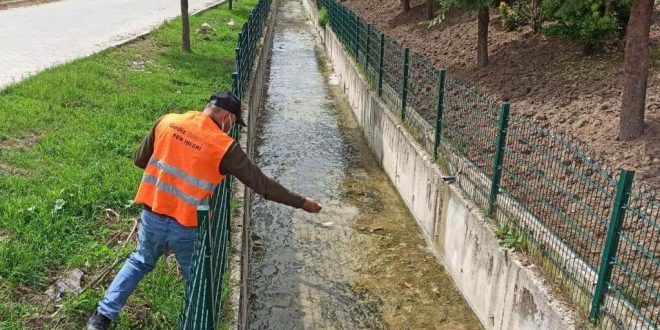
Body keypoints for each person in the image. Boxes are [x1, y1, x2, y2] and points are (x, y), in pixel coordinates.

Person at [87, 92, 322, 330]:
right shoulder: (224, 146)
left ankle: (101, 318)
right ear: (227, 117)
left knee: (139, 262)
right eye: (233, 123)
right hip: (186, 226)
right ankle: (195, 323)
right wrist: (302, 202)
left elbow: (140, 160)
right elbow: (261, 184)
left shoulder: (168, 121)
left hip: (153, 215)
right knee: (197, 279)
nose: (231, 128)